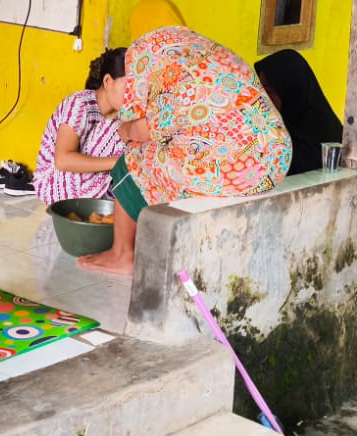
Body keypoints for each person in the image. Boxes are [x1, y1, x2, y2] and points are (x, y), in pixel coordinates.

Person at [80, 26, 292, 276]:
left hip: (235, 169)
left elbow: (143, 130)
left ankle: (122, 255)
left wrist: (124, 130)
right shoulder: (199, 56)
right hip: (276, 160)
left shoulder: (153, 69)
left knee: (132, 159)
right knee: (167, 153)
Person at [33, 47, 128, 205]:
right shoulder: (79, 103)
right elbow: (62, 160)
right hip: (53, 183)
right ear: (107, 81)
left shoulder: (118, 113)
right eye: (128, 87)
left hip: (85, 184)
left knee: (133, 130)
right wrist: (119, 163)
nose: (133, 95)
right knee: (119, 129)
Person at [255, 49, 343, 176]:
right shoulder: (283, 122)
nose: (263, 99)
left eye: (269, 92)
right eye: (261, 91)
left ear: (291, 92)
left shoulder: (320, 135)